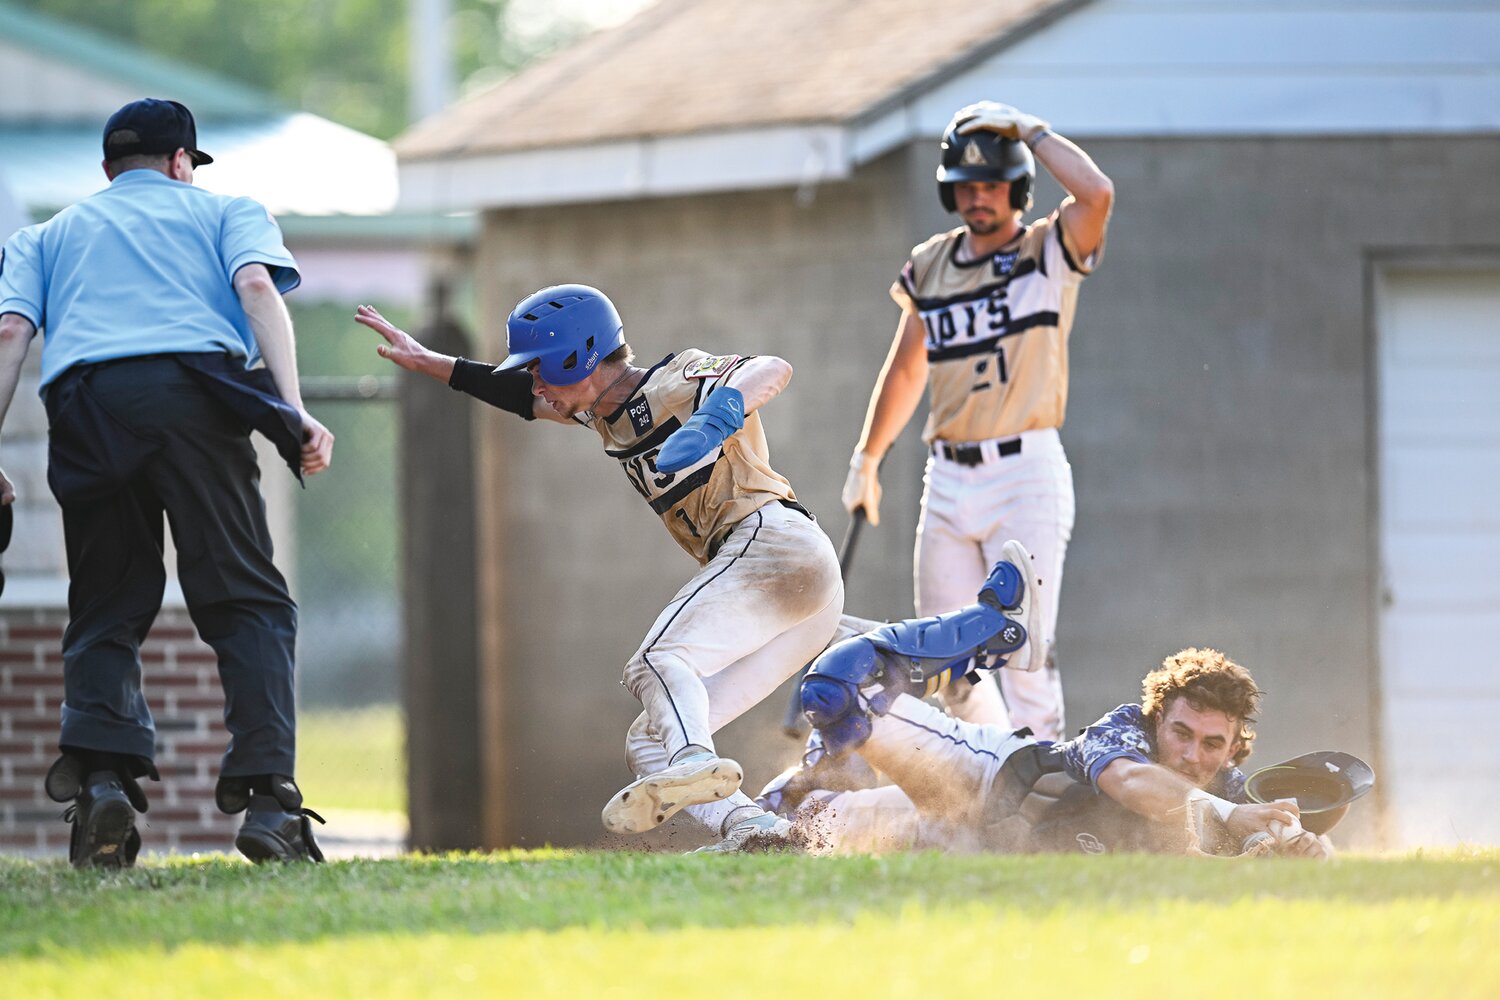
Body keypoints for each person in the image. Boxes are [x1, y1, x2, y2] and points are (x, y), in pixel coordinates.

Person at [355, 286, 844, 852]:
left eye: (540, 368)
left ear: (577, 357)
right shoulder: (601, 414)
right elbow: (516, 395)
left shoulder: (669, 381)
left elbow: (770, 369)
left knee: (657, 663)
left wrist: (714, 418)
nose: (535, 382)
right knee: (650, 739)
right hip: (803, 597)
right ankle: (758, 832)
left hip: (776, 543)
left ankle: (694, 761)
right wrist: (430, 363)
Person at [0, 99, 336, 867]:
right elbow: (256, 288)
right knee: (246, 595)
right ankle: (267, 801)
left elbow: (11, 333)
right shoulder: (226, 211)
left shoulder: (44, 236)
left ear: (108, 170)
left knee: (107, 601)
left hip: (86, 402)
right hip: (194, 396)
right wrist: (290, 410)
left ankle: (104, 784)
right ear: (183, 163)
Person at [841, 101, 1114, 741]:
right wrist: (869, 457)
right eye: (966, 186)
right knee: (946, 656)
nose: (978, 197)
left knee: (1023, 646)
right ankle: (991, 775)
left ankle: (1043, 778)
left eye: (991, 183)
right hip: (949, 475)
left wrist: (1033, 130)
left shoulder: (1049, 248)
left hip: (1026, 470)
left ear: (1016, 186)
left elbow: (1097, 191)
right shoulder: (931, 262)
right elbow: (907, 369)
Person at [767, 556, 1333, 859]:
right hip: (982, 779)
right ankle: (976, 638)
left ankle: (929, 664)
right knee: (840, 698)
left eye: (1212, 744)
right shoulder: (1125, 734)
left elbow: (1309, 854)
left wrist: (1307, 847)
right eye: (1181, 732)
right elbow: (1135, 786)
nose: (1190, 754)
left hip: (959, 847)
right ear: (1157, 719)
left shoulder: (1230, 794)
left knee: (780, 842)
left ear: (1235, 749)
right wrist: (1235, 819)